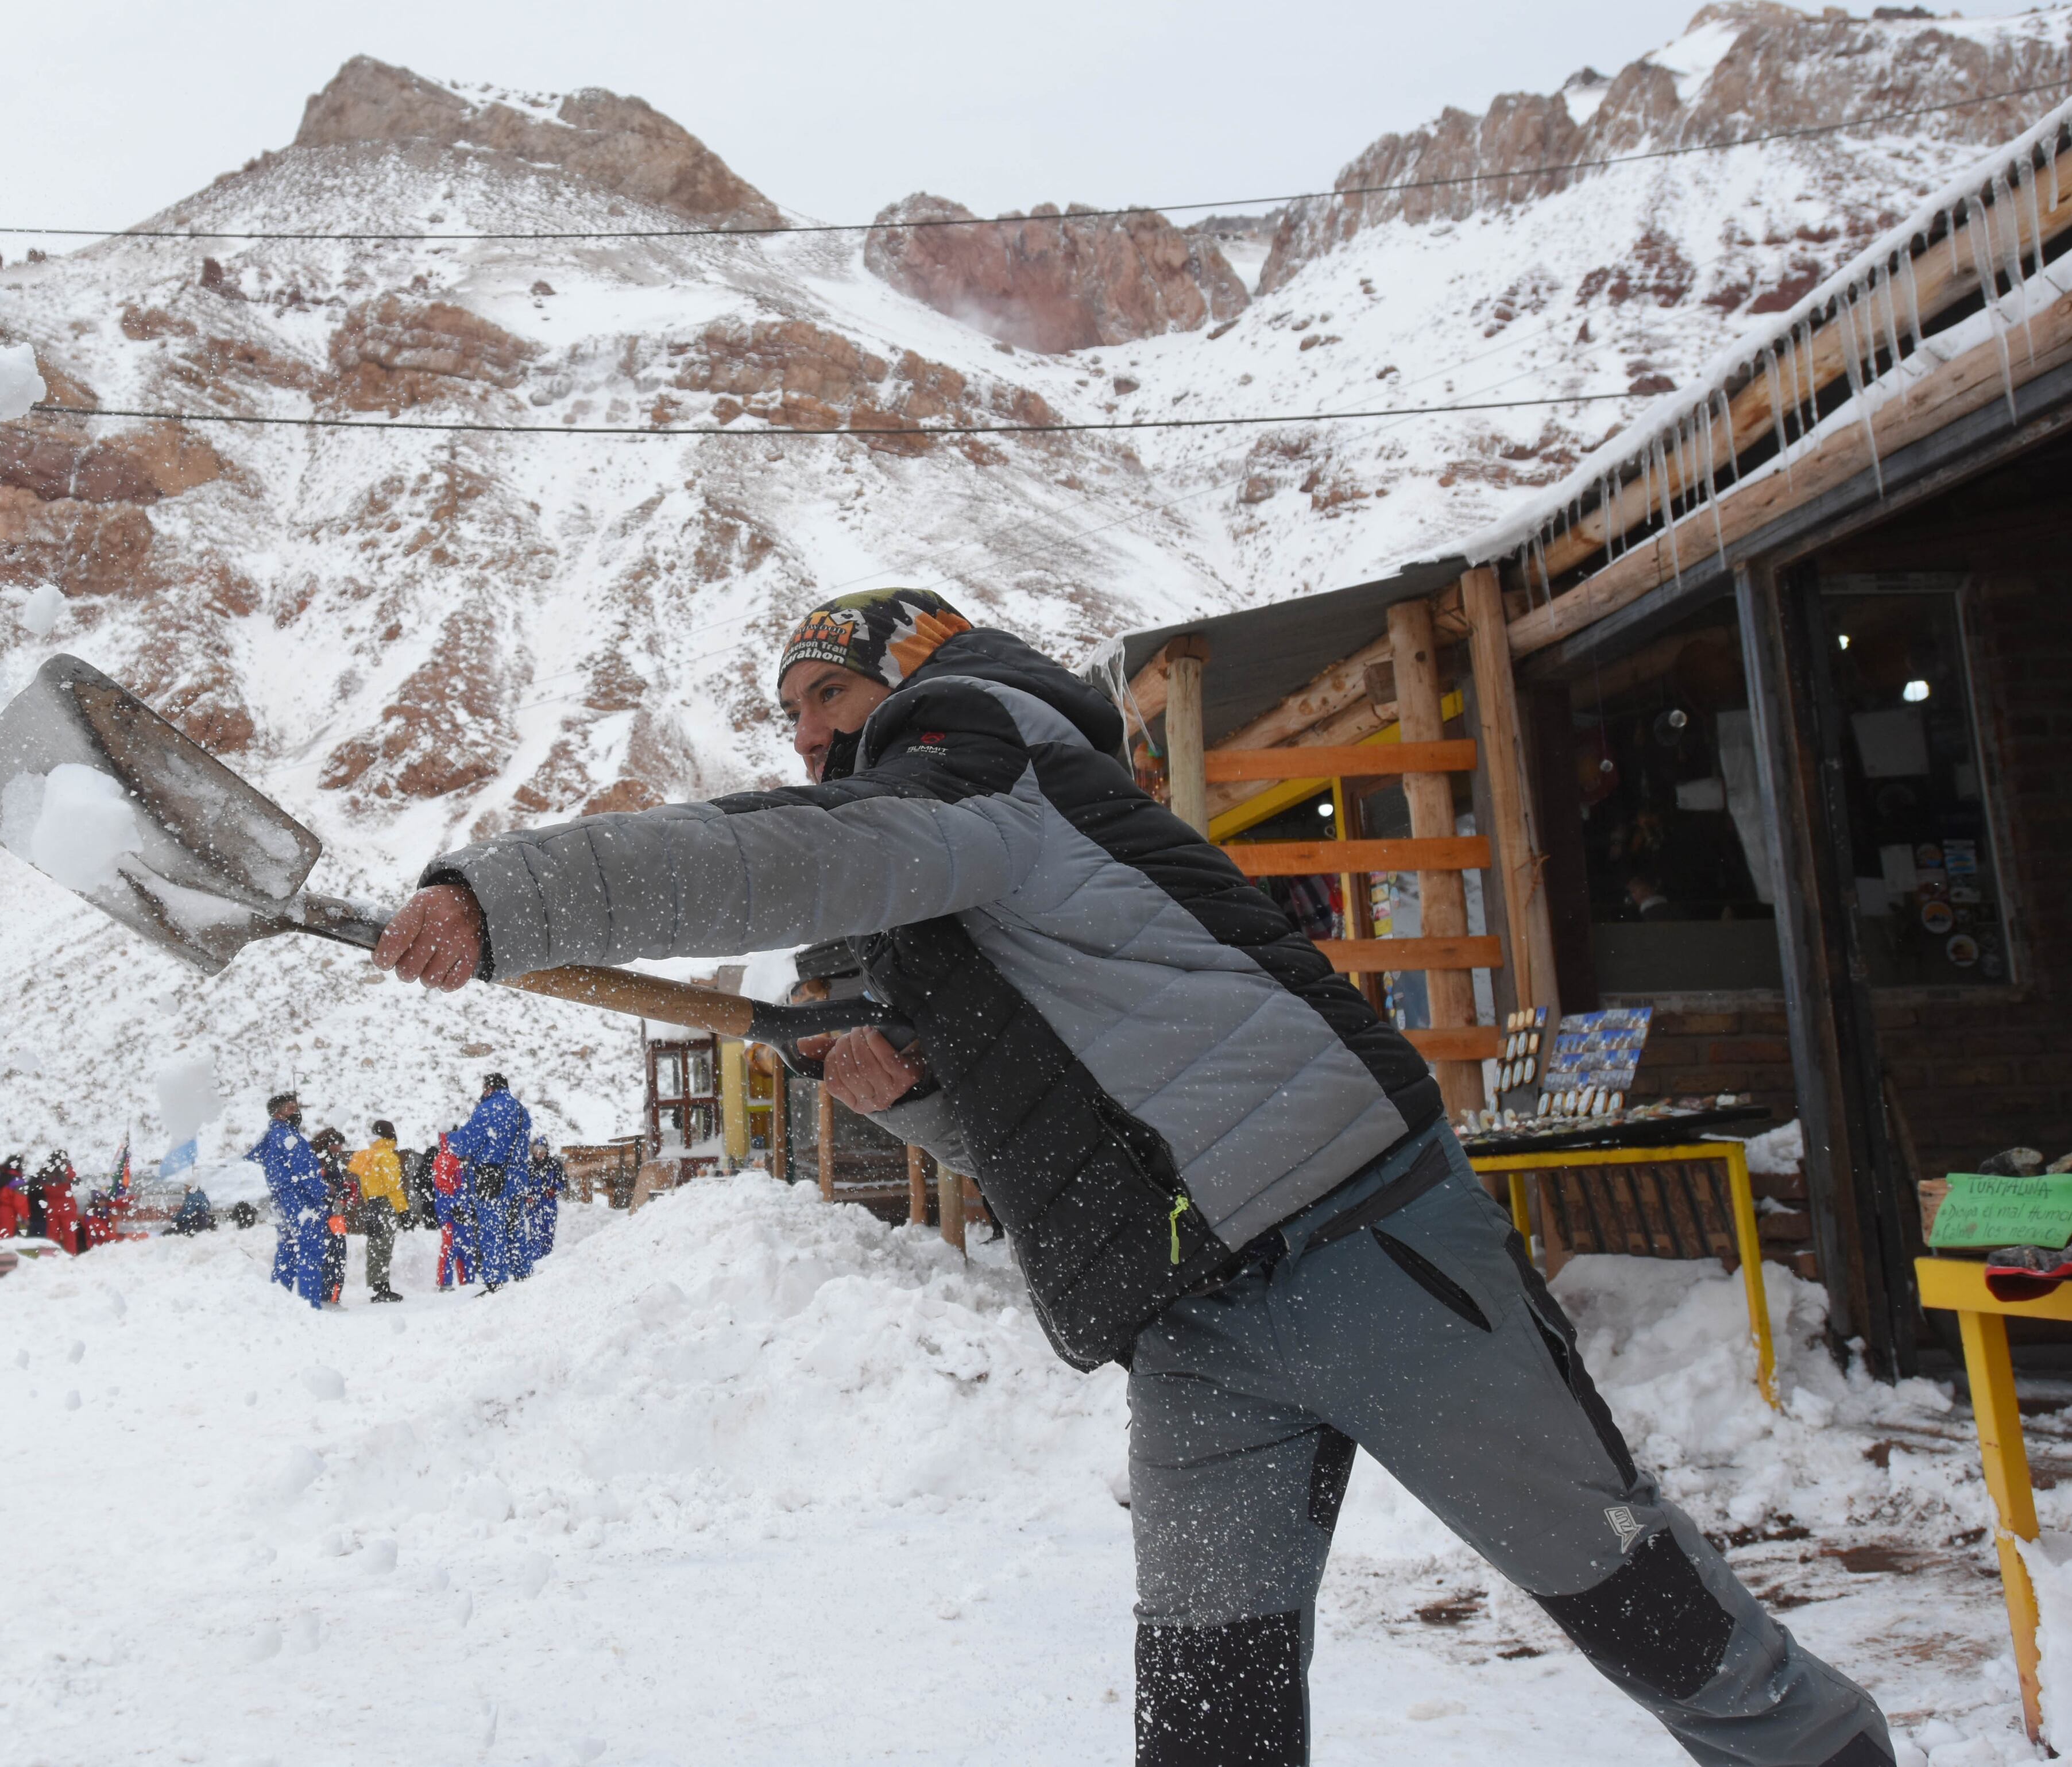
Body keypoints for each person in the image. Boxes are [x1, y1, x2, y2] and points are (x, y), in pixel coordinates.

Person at [372, 586, 1892, 1767]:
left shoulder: (981, 754)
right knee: (1207, 1703)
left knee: (1640, 1608)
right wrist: (896, 1087)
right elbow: (1036, 1145)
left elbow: (798, 849)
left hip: (1360, 1229)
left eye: (825, 692)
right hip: (1192, 1313)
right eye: (786, 712)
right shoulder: (950, 898)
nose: (805, 734)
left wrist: (516, 894)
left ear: (911, 670)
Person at [449, 1074, 533, 1289]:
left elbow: (463, 1146)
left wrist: (453, 1137)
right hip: (517, 1177)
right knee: (515, 1228)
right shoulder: (521, 1111)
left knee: (492, 1230)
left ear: (489, 1088)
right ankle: (523, 1274)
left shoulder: (487, 1110)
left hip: (492, 1177)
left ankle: (496, 1281)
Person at [246, 1095, 330, 1308]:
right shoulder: (289, 1138)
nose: (297, 1113)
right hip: (299, 1198)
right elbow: (305, 1170)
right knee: (310, 1249)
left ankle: (278, 1301)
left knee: (288, 1249)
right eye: (291, 1109)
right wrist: (323, 1190)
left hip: (280, 1199)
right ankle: (310, 1304)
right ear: (278, 1113)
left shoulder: (269, 1138)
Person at [349, 1120, 411, 1304]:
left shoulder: (368, 1155)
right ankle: (383, 1289)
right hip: (387, 1204)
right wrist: (403, 1211)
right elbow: (394, 1187)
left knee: (374, 1247)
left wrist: (371, 1204)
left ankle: (375, 1287)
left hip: (373, 1205)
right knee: (384, 1247)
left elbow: (363, 1188)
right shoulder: (388, 1156)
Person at [309, 1129, 355, 1305]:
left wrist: (343, 1189)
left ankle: (331, 1295)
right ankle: (328, 1296)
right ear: (329, 1144)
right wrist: (337, 1190)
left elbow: (333, 1185)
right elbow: (323, 1188)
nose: (340, 1148)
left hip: (334, 1215)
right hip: (327, 1215)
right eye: (338, 1144)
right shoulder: (320, 1161)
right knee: (335, 1256)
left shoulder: (327, 1160)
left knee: (336, 1255)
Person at [430, 1131, 473, 1292]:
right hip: (451, 1213)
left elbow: (460, 1188)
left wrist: (465, 1206)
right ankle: (445, 1282)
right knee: (451, 1246)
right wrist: (454, 1207)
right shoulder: (445, 1160)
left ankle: (467, 1281)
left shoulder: (455, 1160)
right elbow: (442, 1189)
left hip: (460, 1211)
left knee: (465, 1247)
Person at [522, 1138, 564, 1268]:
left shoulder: (555, 1165)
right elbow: (523, 1187)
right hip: (535, 1206)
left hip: (549, 1205)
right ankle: (534, 1262)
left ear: (547, 1151)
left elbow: (562, 1183)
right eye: (536, 1150)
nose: (539, 1153)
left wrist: (554, 1189)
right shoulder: (529, 1167)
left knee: (548, 1233)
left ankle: (547, 1262)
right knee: (536, 1233)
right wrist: (527, 1197)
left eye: (542, 1150)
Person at [0, 1154, 29, 1240]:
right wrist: (25, 1218)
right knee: (5, 1240)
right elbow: (20, 1203)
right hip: (8, 1213)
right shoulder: (18, 1182)